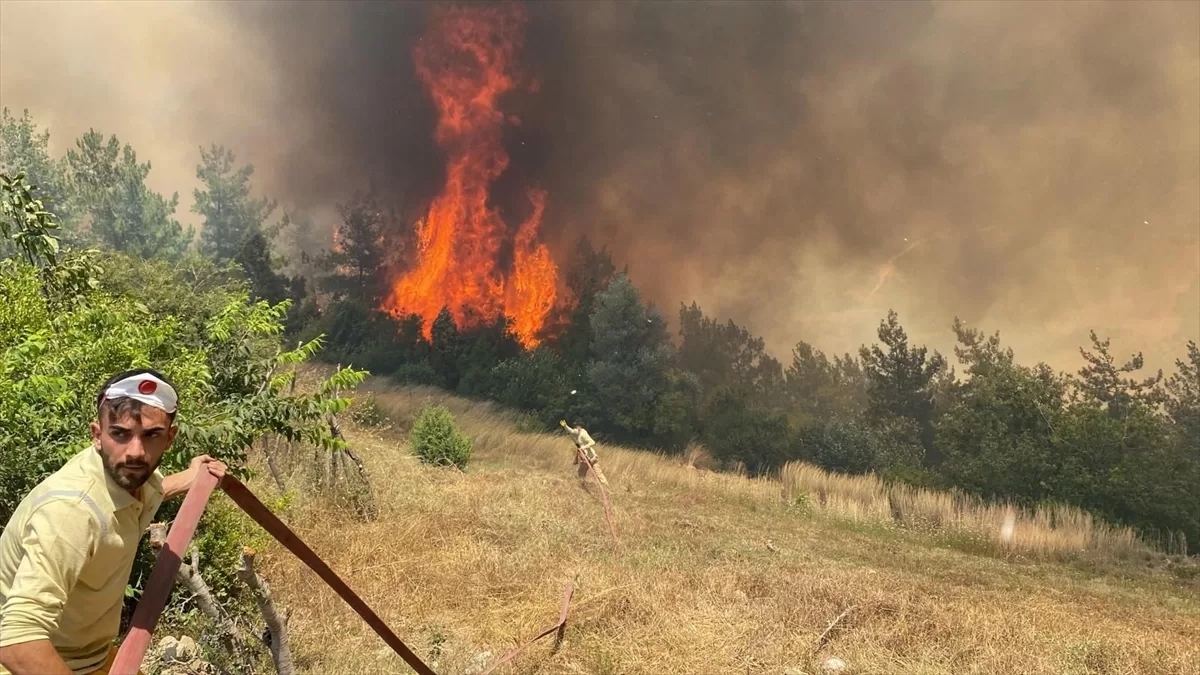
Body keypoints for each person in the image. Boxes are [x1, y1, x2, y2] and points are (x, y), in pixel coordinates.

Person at [0, 369, 228, 675]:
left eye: (151, 435)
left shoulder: (134, 481)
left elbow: (154, 491)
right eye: (120, 433)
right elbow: (17, 640)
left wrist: (193, 477)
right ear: (97, 435)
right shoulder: (71, 514)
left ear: (170, 438)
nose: (135, 452)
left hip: (93, 657)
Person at [559, 420, 609, 486]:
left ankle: (605, 487)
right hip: (588, 458)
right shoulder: (577, 433)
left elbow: (592, 442)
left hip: (590, 458)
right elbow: (571, 431)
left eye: (576, 427)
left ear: (579, 427)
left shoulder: (583, 434)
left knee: (584, 474)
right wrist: (565, 426)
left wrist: (584, 447)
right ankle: (584, 486)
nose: (575, 429)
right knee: (590, 474)